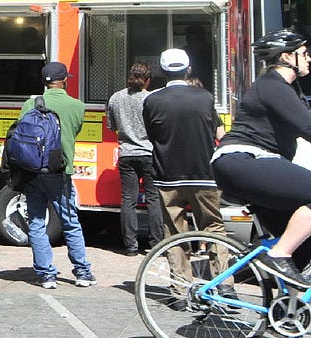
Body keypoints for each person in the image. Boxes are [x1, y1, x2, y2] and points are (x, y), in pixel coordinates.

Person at [211, 29, 311, 287]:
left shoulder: (286, 89)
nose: (309, 57)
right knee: (285, 250)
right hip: (242, 160)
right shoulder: (272, 85)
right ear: (287, 57)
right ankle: (277, 254)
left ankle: (287, 314)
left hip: (254, 163)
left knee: (303, 247)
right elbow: (308, 128)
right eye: (304, 53)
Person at [142, 49, 225, 278]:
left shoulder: (152, 101)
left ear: (162, 72)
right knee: (213, 228)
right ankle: (224, 283)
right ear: (188, 69)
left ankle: (180, 286)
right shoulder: (205, 98)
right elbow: (215, 131)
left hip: (168, 175)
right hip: (204, 174)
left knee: (174, 231)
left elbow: (152, 135)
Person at [16, 62, 95, 289]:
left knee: (37, 223)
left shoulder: (31, 103)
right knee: (70, 222)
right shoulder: (77, 106)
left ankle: (46, 275)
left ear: (44, 82)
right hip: (60, 173)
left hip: (33, 173)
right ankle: (82, 272)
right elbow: (75, 131)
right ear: (65, 80)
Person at [105, 62, 161, 256]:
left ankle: (130, 246)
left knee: (128, 199)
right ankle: (156, 245)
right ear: (147, 80)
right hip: (149, 152)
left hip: (126, 153)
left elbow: (111, 126)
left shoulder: (115, 98)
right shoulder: (152, 99)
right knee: (154, 199)